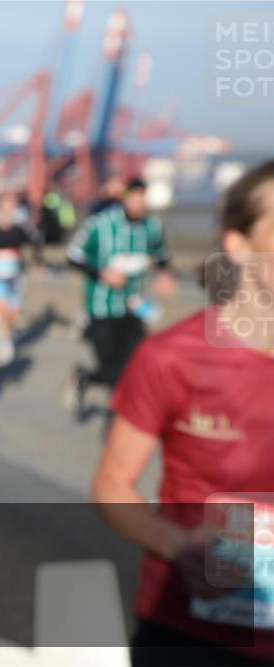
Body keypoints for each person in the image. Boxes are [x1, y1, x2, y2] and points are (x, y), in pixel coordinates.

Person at [91, 160, 274, 666]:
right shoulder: (172, 358)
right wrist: (179, 545)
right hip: (195, 631)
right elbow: (111, 486)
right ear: (236, 245)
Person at [62, 177, 176, 415]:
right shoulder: (100, 225)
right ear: (124, 199)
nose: (138, 204)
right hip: (101, 306)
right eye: (133, 198)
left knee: (138, 365)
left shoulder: (152, 225)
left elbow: (160, 252)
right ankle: (85, 377)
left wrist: (164, 273)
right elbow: (73, 257)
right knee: (112, 367)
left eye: (142, 198)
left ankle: (122, 418)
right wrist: (102, 273)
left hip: (134, 306)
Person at [0, 193, 43, 363]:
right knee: (3, 310)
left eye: (12, 206)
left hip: (15, 276)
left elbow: (35, 243)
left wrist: (36, 262)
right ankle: (4, 343)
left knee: (13, 315)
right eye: (6, 206)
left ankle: (5, 330)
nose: (9, 210)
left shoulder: (20, 228)